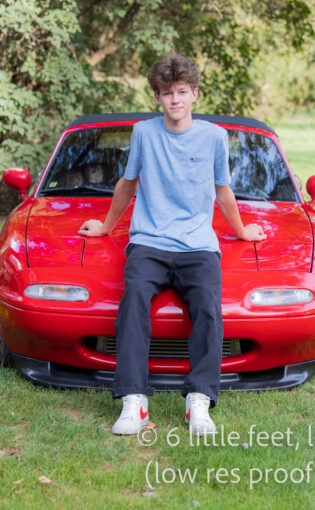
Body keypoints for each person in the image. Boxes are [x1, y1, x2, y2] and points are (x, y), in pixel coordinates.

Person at [78, 54, 266, 436]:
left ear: (195, 93)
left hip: (198, 245)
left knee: (209, 308)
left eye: (181, 91)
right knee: (133, 300)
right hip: (149, 241)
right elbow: (128, 184)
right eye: (167, 93)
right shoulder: (144, 133)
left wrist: (242, 230)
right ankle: (134, 401)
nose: (175, 99)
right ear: (158, 97)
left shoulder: (213, 137)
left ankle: (199, 400)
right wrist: (106, 226)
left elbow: (222, 190)